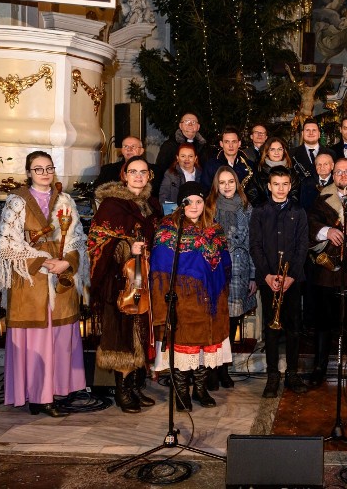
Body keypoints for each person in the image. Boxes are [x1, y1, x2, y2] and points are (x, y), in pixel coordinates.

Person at [0, 151, 88, 417]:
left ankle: (56, 391)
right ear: (29, 173)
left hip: (60, 280)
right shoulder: (17, 202)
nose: (45, 173)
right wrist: (42, 260)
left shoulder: (65, 199)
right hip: (30, 280)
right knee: (36, 339)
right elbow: (6, 243)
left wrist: (67, 262)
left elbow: (77, 238)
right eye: (38, 169)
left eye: (49, 168)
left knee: (58, 338)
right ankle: (38, 396)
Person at [89, 156, 162, 412]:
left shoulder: (152, 205)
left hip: (145, 280)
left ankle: (134, 386)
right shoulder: (111, 205)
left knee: (141, 334)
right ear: (124, 175)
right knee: (122, 335)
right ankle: (121, 390)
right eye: (133, 172)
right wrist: (125, 247)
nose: (138, 176)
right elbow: (96, 242)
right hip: (120, 281)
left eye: (143, 172)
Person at [149, 182, 232, 411]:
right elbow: (159, 269)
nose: (194, 206)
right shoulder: (168, 230)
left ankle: (201, 389)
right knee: (184, 347)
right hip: (182, 300)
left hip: (212, 299)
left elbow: (224, 262)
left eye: (198, 201)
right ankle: (181, 392)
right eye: (189, 202)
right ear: (180, 204)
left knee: (205, 348)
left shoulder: (215, 229)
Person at [306, 158, 347, 386]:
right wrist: (328, 231)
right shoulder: (322, 198)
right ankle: (320, 367)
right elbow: (311, 222)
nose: (343, 176)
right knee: (324, 320)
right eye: (339, 172)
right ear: (333, 176)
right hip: (327, 269)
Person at [249, 166, 309, 397]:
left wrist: (291, 275)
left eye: (285, 184)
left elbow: (302, 246)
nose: (281, 188)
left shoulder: (299, 211)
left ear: (290, 185)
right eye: (276, 184)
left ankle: (292, 373)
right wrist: (266, 274)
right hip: (269, 280)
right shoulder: (260, 211)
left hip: (292, 280)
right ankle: (273, 375)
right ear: (269, 186)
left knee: (294, 327)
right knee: (271, 329)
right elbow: (255, 245)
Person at [207, 166, 256, 389]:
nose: (227, 186)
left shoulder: (246, 208)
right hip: (215, 270)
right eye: (222, 182)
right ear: (216, 185)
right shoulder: (209, 208)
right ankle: (211, 370)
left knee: (232, 322)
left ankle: (224, 369)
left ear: (237, 183)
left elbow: (252, 244)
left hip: (240, 270)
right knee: (215, 321)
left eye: (231, 182)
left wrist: (253, 276)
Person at [200, 126, 255, 197]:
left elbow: (254, 191)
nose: (231, 145)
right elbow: (205, 190)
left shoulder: (250, 165)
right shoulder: (211, 165)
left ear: (239, 143)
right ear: (221, 144)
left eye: (234, 142)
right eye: (227, 142)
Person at [155, 113, 207, 185]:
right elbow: (160, 170)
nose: (190, 124)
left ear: (198, 127)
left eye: (193, 122)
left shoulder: (204, 146)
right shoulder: (169, 146)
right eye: (186, 121)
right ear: (180, 126)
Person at [253, 137, 300, 207]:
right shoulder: (259, 171)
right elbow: (253, 196)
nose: (276, 153)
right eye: (272, 149)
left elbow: (295, 196)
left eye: (280, 149)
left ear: (284, 151)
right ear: (267, 152)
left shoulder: (292, 172)